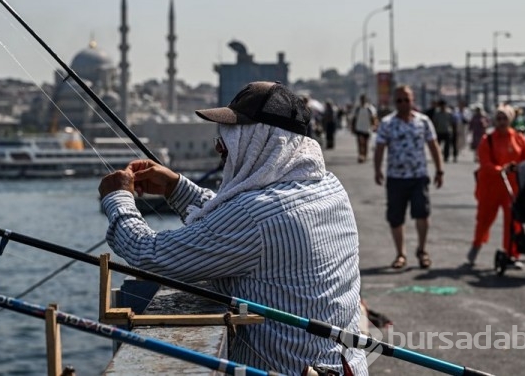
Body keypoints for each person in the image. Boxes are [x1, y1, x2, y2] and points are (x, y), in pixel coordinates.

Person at [99, 81, 367, 375]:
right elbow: (236, 223)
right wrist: (177, 187)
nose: (219, 146)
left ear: (261, 141)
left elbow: (148, 254)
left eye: (230, 135)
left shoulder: (255, 217)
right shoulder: (328, 187)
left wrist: (118, 198)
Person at [374, 85, 444, 270]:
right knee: (396, 217)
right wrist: (377, 169)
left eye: (407, 100)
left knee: (422, 213)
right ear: (394, 102)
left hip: (418, 176)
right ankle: (400, 254)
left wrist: (439, 169)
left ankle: (422, 250)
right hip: (396, 177)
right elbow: (380, 147)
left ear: (413, 100)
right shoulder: (388, 123)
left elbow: (433, 145)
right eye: (399, 100)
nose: (403, 104)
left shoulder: (423, 121)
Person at [466, 105, 525, 268]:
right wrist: (501, 170)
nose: (502, 122)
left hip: (512, 187)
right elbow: (485, 163)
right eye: (499, 118)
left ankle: (512, 253)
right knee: (484, 219)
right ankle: (477, 244)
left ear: (510, 120)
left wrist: (521, 167)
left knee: (513, 221)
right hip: (491, 186)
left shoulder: (518, 138)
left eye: (505, 118)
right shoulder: (487, 139)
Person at [351, 94, 378, 163]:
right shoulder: (357, 109)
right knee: (360, 142)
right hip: (359, 127)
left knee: (365, 143)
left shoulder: (370, 108)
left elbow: (373, 118)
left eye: (364, 99)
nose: (362, 101)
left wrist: (374, 126)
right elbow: (354, 118)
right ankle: (361, 155)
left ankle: (365, 155)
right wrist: (352, 127)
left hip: (367, 128)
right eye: (361, 99)